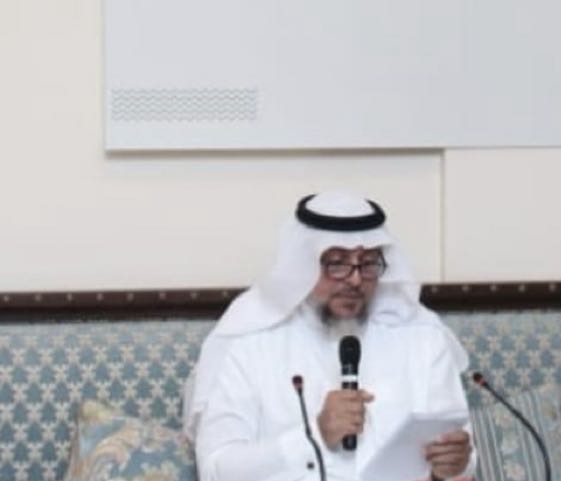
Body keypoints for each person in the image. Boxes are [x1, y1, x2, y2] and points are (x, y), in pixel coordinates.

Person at [184, 191, 472, 481]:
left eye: (368, 263)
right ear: (303, 265)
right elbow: (215, 470)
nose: (355, 279)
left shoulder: (420, 336)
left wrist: (456, 462)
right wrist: (314, 436)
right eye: (337, 263)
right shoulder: (249, 340)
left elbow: (465, 454)